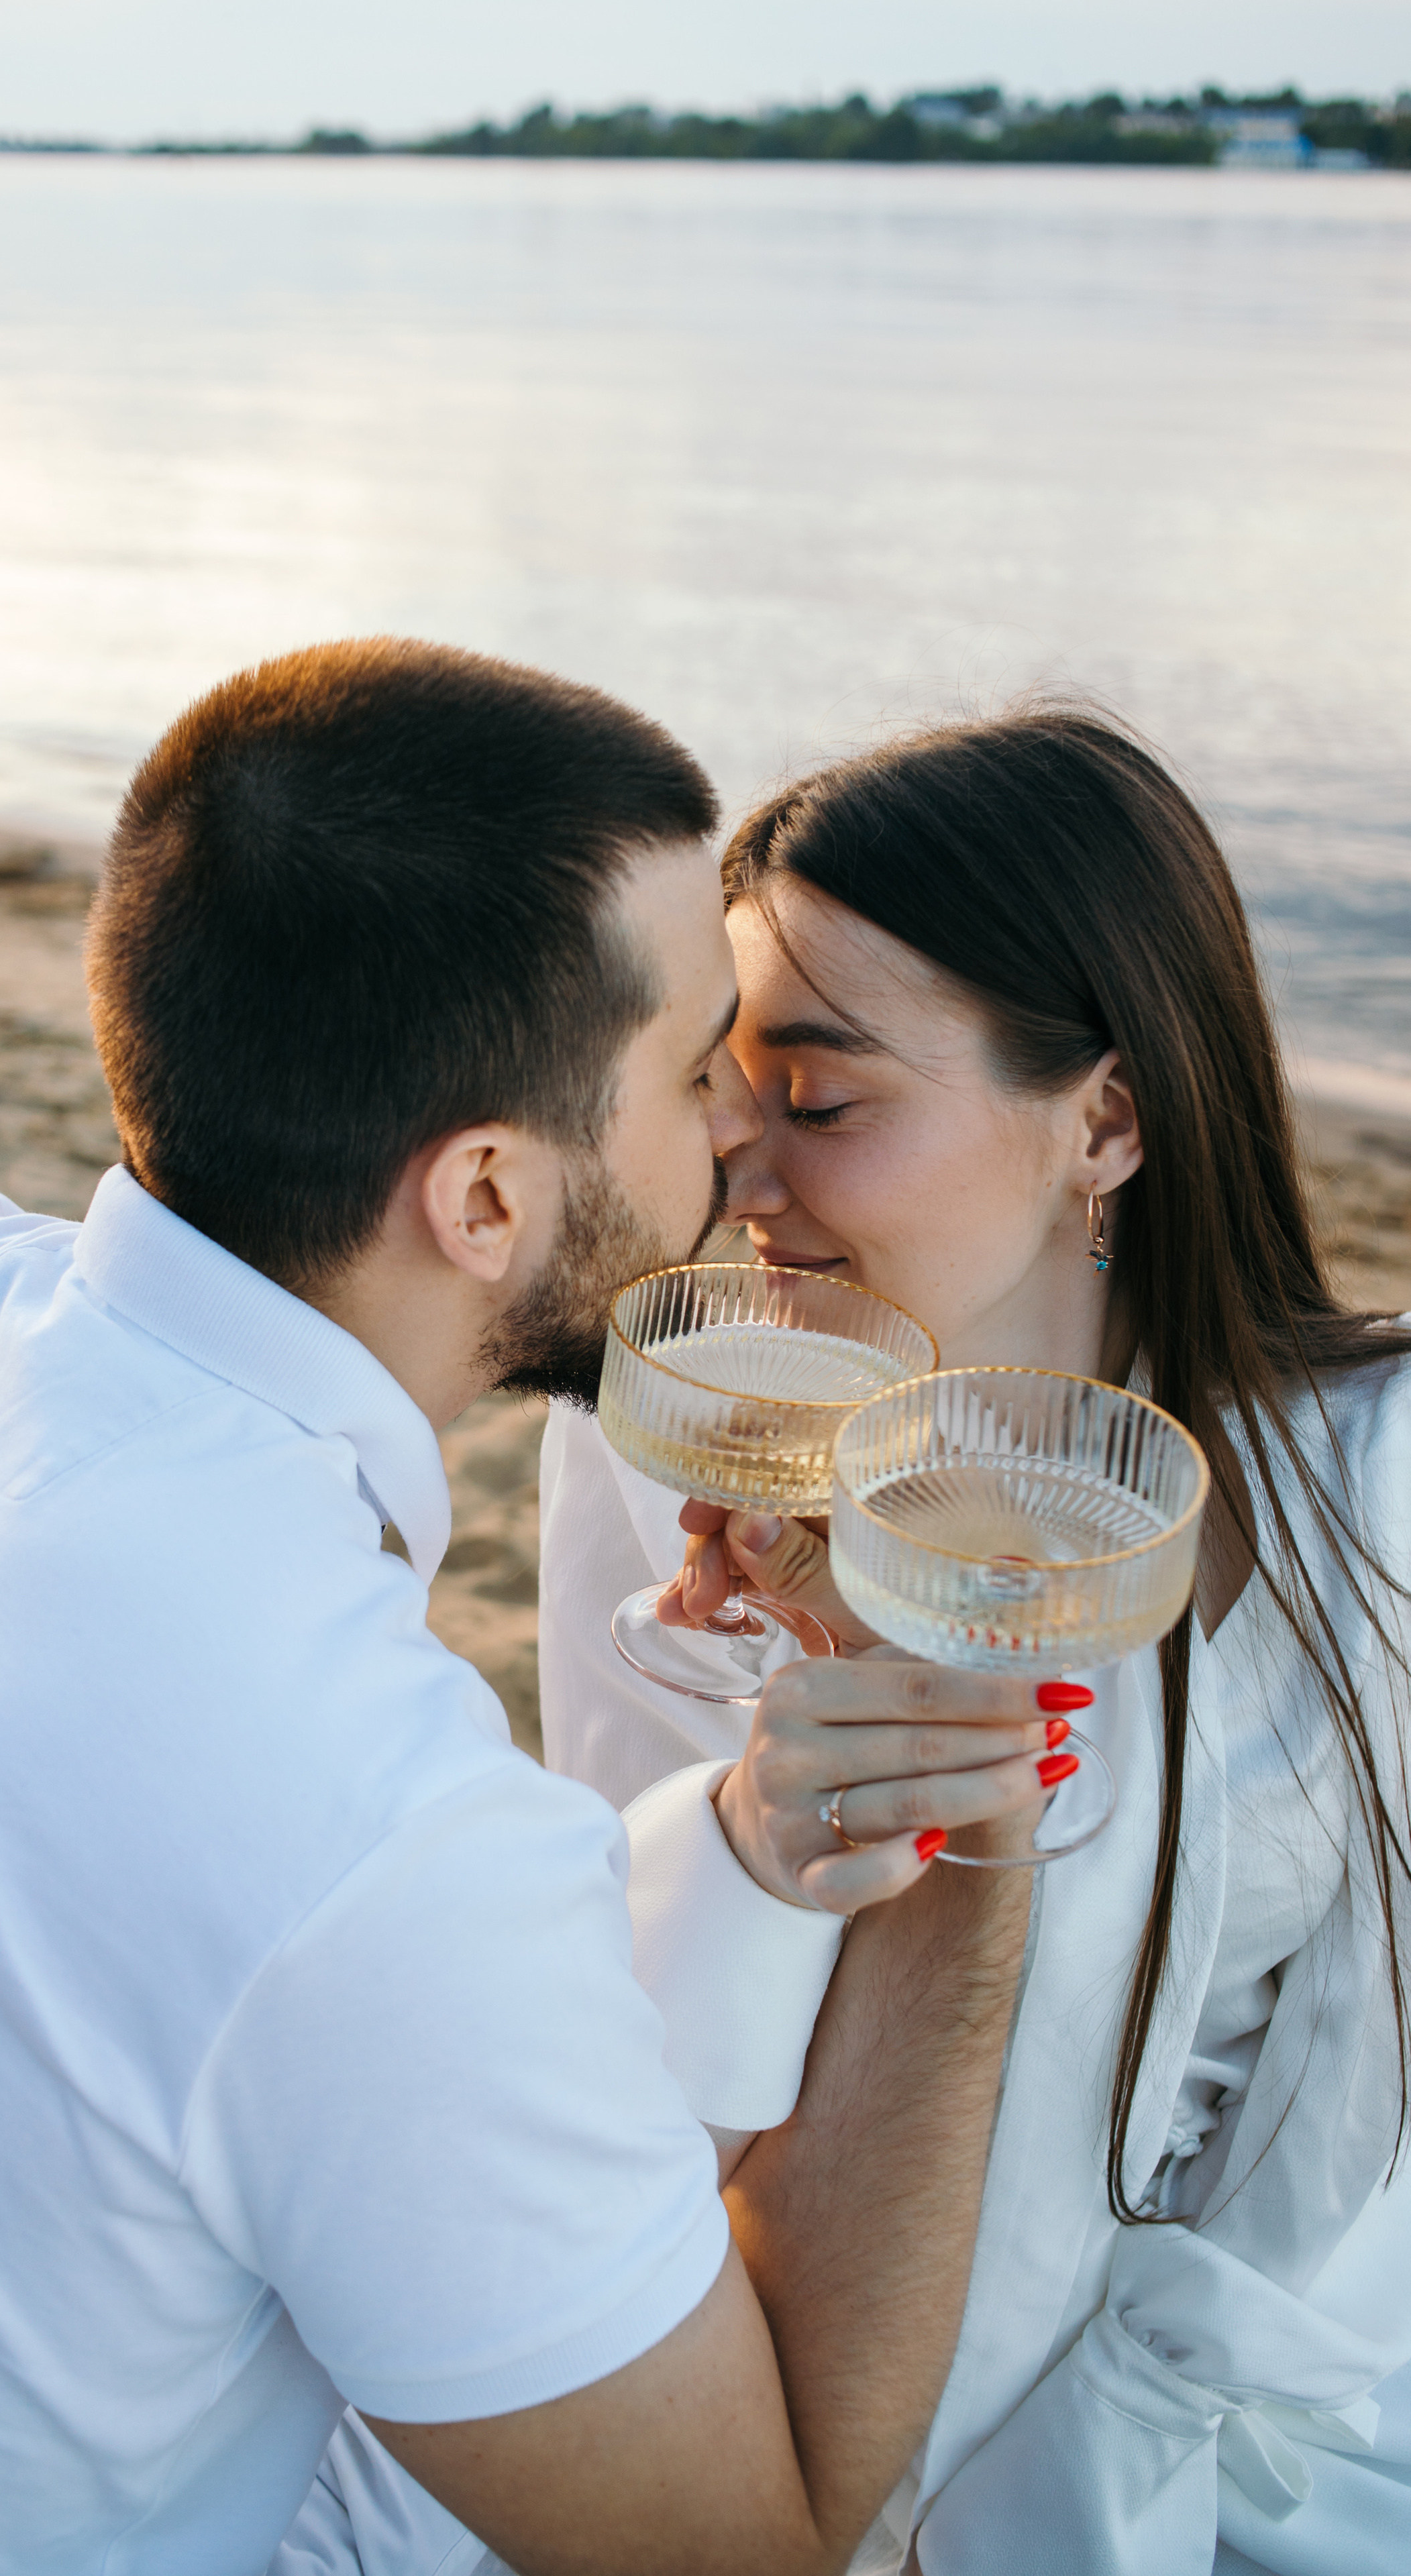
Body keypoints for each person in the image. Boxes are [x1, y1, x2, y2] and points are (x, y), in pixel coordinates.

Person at [0, 639, 1053, 2576]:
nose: (741, 1149)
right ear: (487, 1198)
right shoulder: (379, 1827)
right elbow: (754, 2545)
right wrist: (977, 1860)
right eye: (689, 1076)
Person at [539, 704, 1411, 2575]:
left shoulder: (1374, 1484)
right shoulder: (652, 1438)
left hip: (1220, 2448)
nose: (731, 1176)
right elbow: (622, 2052)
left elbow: (1338, 2136)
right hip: (760, 2420)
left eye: (824, 1102)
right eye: (717, 1088)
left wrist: (1049, 2511)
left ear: (1103, 1119)